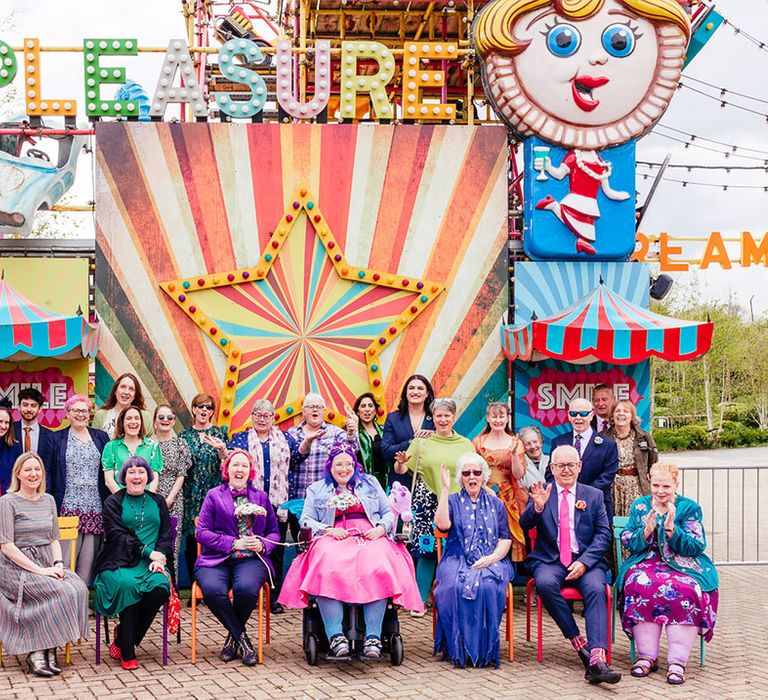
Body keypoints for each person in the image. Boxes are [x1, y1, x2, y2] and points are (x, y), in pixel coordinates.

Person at [279, 447, 423, 659]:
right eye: (338, 464)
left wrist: (381, 528)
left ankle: (373, 636)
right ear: (330, 467)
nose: (344, 468)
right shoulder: (317, 489)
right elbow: (306, 519)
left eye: (348, 464)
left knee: (378, 564)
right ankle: (335, 635)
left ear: (355, 466)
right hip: (333, 535)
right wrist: (327, 529)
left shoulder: (370, 484)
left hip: (369, 534)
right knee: (326, 564)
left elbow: (388, 513)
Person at [521, 445, 621, 685]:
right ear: (552, 469)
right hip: (551, 559)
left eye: (570, 465)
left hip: (587, 561)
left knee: (597, 589)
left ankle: (597, 658)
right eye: (560, 465)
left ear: (579, 467)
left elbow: (603, 535)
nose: (566, 470)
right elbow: (524, 525)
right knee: (544, 584)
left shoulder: (594, 495)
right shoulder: (542, 493)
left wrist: (585, 562)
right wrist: (537, 507)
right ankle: (580, 644)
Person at [617, 463, 718, 685]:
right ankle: (647, 656)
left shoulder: (689, 508)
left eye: (666, 486)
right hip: (646, 562)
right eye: (655, 485)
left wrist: (673, 530)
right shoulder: (640, 506)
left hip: (682, 564)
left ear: (676, 485)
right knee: (639, 584)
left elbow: (697, 545)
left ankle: (677, 661)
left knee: (686, 589)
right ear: (649, 483)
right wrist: (646, 531)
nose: (660, 491)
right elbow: (628, 541)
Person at [0, 452, 89, 677]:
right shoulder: (7, 502)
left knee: (77, 588)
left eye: (37, 469)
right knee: (58, 591)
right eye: (28, 470)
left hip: (47, 562)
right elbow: (7, 546)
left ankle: (49, 647)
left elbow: (53, 539)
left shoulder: (49, 500)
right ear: (18, 474)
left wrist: (58, 564)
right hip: (15, 567)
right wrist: (42, 571)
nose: (33, 474)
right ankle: (37, 651)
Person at [194, 450, 280, 666]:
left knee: (247, 590)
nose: (239, 469)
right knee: (213, 591)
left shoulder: (261, 497)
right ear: (227, 469)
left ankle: (232, 640)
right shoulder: (214, 495)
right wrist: (232, 543)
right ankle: (243, 640)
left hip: (251, 559)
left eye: (244, 466)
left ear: (249, 471)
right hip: (216, 558)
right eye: (235, 465)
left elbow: (274, 532)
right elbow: (201, 532)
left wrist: (263, 544)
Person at [92, 456, 173, 670]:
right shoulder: (113, 502)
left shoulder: (158, 501)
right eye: (131, 472)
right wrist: (148, 553)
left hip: (154, 562)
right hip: (119, 560)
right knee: (128, 586)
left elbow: (166, 535)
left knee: (161, 588)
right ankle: (128, 652)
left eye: (141, 472)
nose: (136, 476)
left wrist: (160, 558)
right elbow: (118, 535)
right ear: (123, 477)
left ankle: (122, 639)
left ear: (148, 476)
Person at [433, 453, 513, 668]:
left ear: (483, 476)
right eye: (466, 473)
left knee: (488, 585)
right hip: (456, 557)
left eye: (476, 472)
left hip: (491, 558)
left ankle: (484, 649)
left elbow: (505, 539)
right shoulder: (452, 500)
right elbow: (442, 526)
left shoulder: (496, 504)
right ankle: (457, 648)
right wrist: (443, 489)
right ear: (461, 477)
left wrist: (492, 558)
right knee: (452, 586)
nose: (471, 477)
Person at [394, 398, 474, 611]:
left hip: (456, 501)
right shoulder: (421, 442)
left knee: (456, 549)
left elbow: (473, 474)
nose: (443, 419)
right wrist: (400, 462)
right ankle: (418, 601)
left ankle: (457, 598)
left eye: (447, 415)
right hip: (426, 500)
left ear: (454, 418)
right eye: (439, 415)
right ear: (433, 418)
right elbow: (402, 470)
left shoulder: (466, 445)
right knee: (426, 550)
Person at [228, 399, 306, 613]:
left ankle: (273, 596)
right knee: (250, 547)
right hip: (249, 504)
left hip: (278, 502)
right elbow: (230, 461)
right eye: (258, 414)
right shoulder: (241, 438)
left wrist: (308, 442)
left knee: (275, 548)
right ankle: (249, 594)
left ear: (274, 418)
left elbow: (298, 457)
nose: (262, 419)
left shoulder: (285, 438)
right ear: (252, 416)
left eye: (267, 415)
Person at [50, 395, 111, 585]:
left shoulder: (101, 437)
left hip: (94, 508)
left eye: (84, 411)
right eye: (75, 410)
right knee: (66, 559)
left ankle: (82, 602)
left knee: (87, 561)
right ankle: (65, 600)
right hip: (67, 508)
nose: (80, 414)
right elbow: (50, 472)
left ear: (89, 414)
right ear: (67, 414)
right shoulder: (56, 438)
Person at [286, 393, 359, 539]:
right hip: (297, 499)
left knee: (324, 540)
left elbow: (351, 449)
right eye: (311, 407)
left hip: (324, 501)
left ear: (324, 411)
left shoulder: (335, 432)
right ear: (303, 411)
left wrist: (352, 432)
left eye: (319, 407)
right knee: (300, 542)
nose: (315, 410)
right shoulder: (292, 433)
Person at [180, 393, 229, 585]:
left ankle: (214, 583)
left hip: (214, 494)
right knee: (193, 540)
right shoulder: (184, 436)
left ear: (212, 412)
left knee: (215, 538)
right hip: (191, 496)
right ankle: (196, 584)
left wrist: (222, 451)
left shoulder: (220, 434)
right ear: (193, 409)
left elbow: (228, 465)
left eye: (208, 407)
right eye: (200, 406)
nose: (204, 410)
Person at [472, 402, 527, 562]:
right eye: (494, 416)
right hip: (483, 492)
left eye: (501, 416)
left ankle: (512, 571)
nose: (498, 420)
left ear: (507, 418)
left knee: (510, 530)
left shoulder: (515, 442)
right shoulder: (478, 442)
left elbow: (518, 474)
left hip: (508, 493)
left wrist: (515, 455)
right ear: (488, 418)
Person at [548, 398, 619, 521]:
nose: (578, 418)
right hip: (564, 503)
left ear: (591, 415)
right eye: (574, 414)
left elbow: (608, 475)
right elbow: (550, 472)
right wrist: (566, 491)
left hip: (596, 503)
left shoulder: (608, 444)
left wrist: (584, 493)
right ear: (569, 416)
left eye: (583, 413)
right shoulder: (558, 442)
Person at [153, 404, 191, 580]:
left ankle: (170, 590)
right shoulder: (148, 445)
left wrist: (169, 499)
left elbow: (182, 474)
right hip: (151, 499)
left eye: (169, 417)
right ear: (154, 421)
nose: (165, 421)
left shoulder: (181, 444)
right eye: (161, 417)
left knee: (173, 545)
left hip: (174, 500)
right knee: (152, 544)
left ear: (174, 421)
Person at [605, 400, 658, 518]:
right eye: (617, 411)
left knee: (637, 519)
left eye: (626, 411)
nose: (621, 414)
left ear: (632, 416)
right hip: (612, 487)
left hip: (636, 485)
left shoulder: (644, 436)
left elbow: (653, 460)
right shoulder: (604, 437)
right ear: (613, 415)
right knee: (613, 522)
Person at [381, 374, 435, 489]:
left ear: (427, 394)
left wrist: (435, 436)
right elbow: (386, 451)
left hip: (429, 484)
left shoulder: (436, 418)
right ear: (405, 392)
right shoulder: (393, 418)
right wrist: (411, 443)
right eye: (411, 388)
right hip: (401, 484)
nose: (415, 391)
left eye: (420, 388)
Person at [102, 407, 162, 494]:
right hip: (120, 502)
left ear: (141, 422)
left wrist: (147, 501)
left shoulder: (153, 446)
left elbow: (154, 477)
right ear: (122, 423)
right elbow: (109, 480)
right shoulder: (111, 447)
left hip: (145, 502)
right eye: (129, 418)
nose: (133, 422)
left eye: (137, 418)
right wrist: (124, 501)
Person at [93, 372, 153, 439]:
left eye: (131, 389)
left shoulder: (145, 417)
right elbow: (95, 444)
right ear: (115, 391)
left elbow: (151, 446)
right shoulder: (100, 415)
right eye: (123, 387)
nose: (126, 392)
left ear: (135, 395)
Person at [13, 387, 55, 477]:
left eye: (33, 405)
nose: (29, 409)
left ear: (40, 408)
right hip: (13, 486)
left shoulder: (50, 436)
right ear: (19, 407)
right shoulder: (10, 431)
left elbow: (50, 468)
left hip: (39, 485)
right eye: (25, 405)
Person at [354, 392, 389, 488]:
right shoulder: (354, 433)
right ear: (357, 411)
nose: (367, 410)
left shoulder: (384, 431)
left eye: (370, 406)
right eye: (363, 406)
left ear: (375, 410)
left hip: (385, 479)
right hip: (362, 481)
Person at [518, 425, 549, 489]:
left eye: (535, 442)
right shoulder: (520, 465)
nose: (532, 446)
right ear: (523, 447)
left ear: (541, 442)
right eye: (528, 444)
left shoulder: (551, 460)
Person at [0, 405, 22, 493]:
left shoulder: (15, 447)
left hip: (8, 499)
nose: (3, 426)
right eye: (0, 421)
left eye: (7, 422)